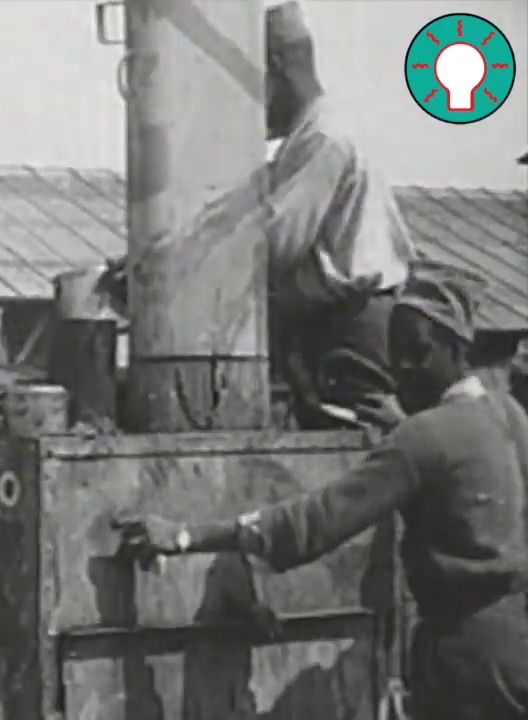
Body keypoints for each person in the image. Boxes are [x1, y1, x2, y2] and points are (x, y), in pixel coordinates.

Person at [114, 265, 528, 720]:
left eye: (419, 352)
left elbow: (314, 523)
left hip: (466, 658)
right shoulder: (510, 414)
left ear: (456, 348)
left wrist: (186, 536)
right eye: (395, 356)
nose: (403, 370)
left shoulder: (421, 438)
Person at [107, 0, 418, 431]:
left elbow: (275, 243)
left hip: (351, 328)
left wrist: (178, 275)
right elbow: (237, 215)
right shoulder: (311, 137)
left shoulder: (323, 140)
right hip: (339, 321)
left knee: (353, 442)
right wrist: (169, 253)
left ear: (275, 70)